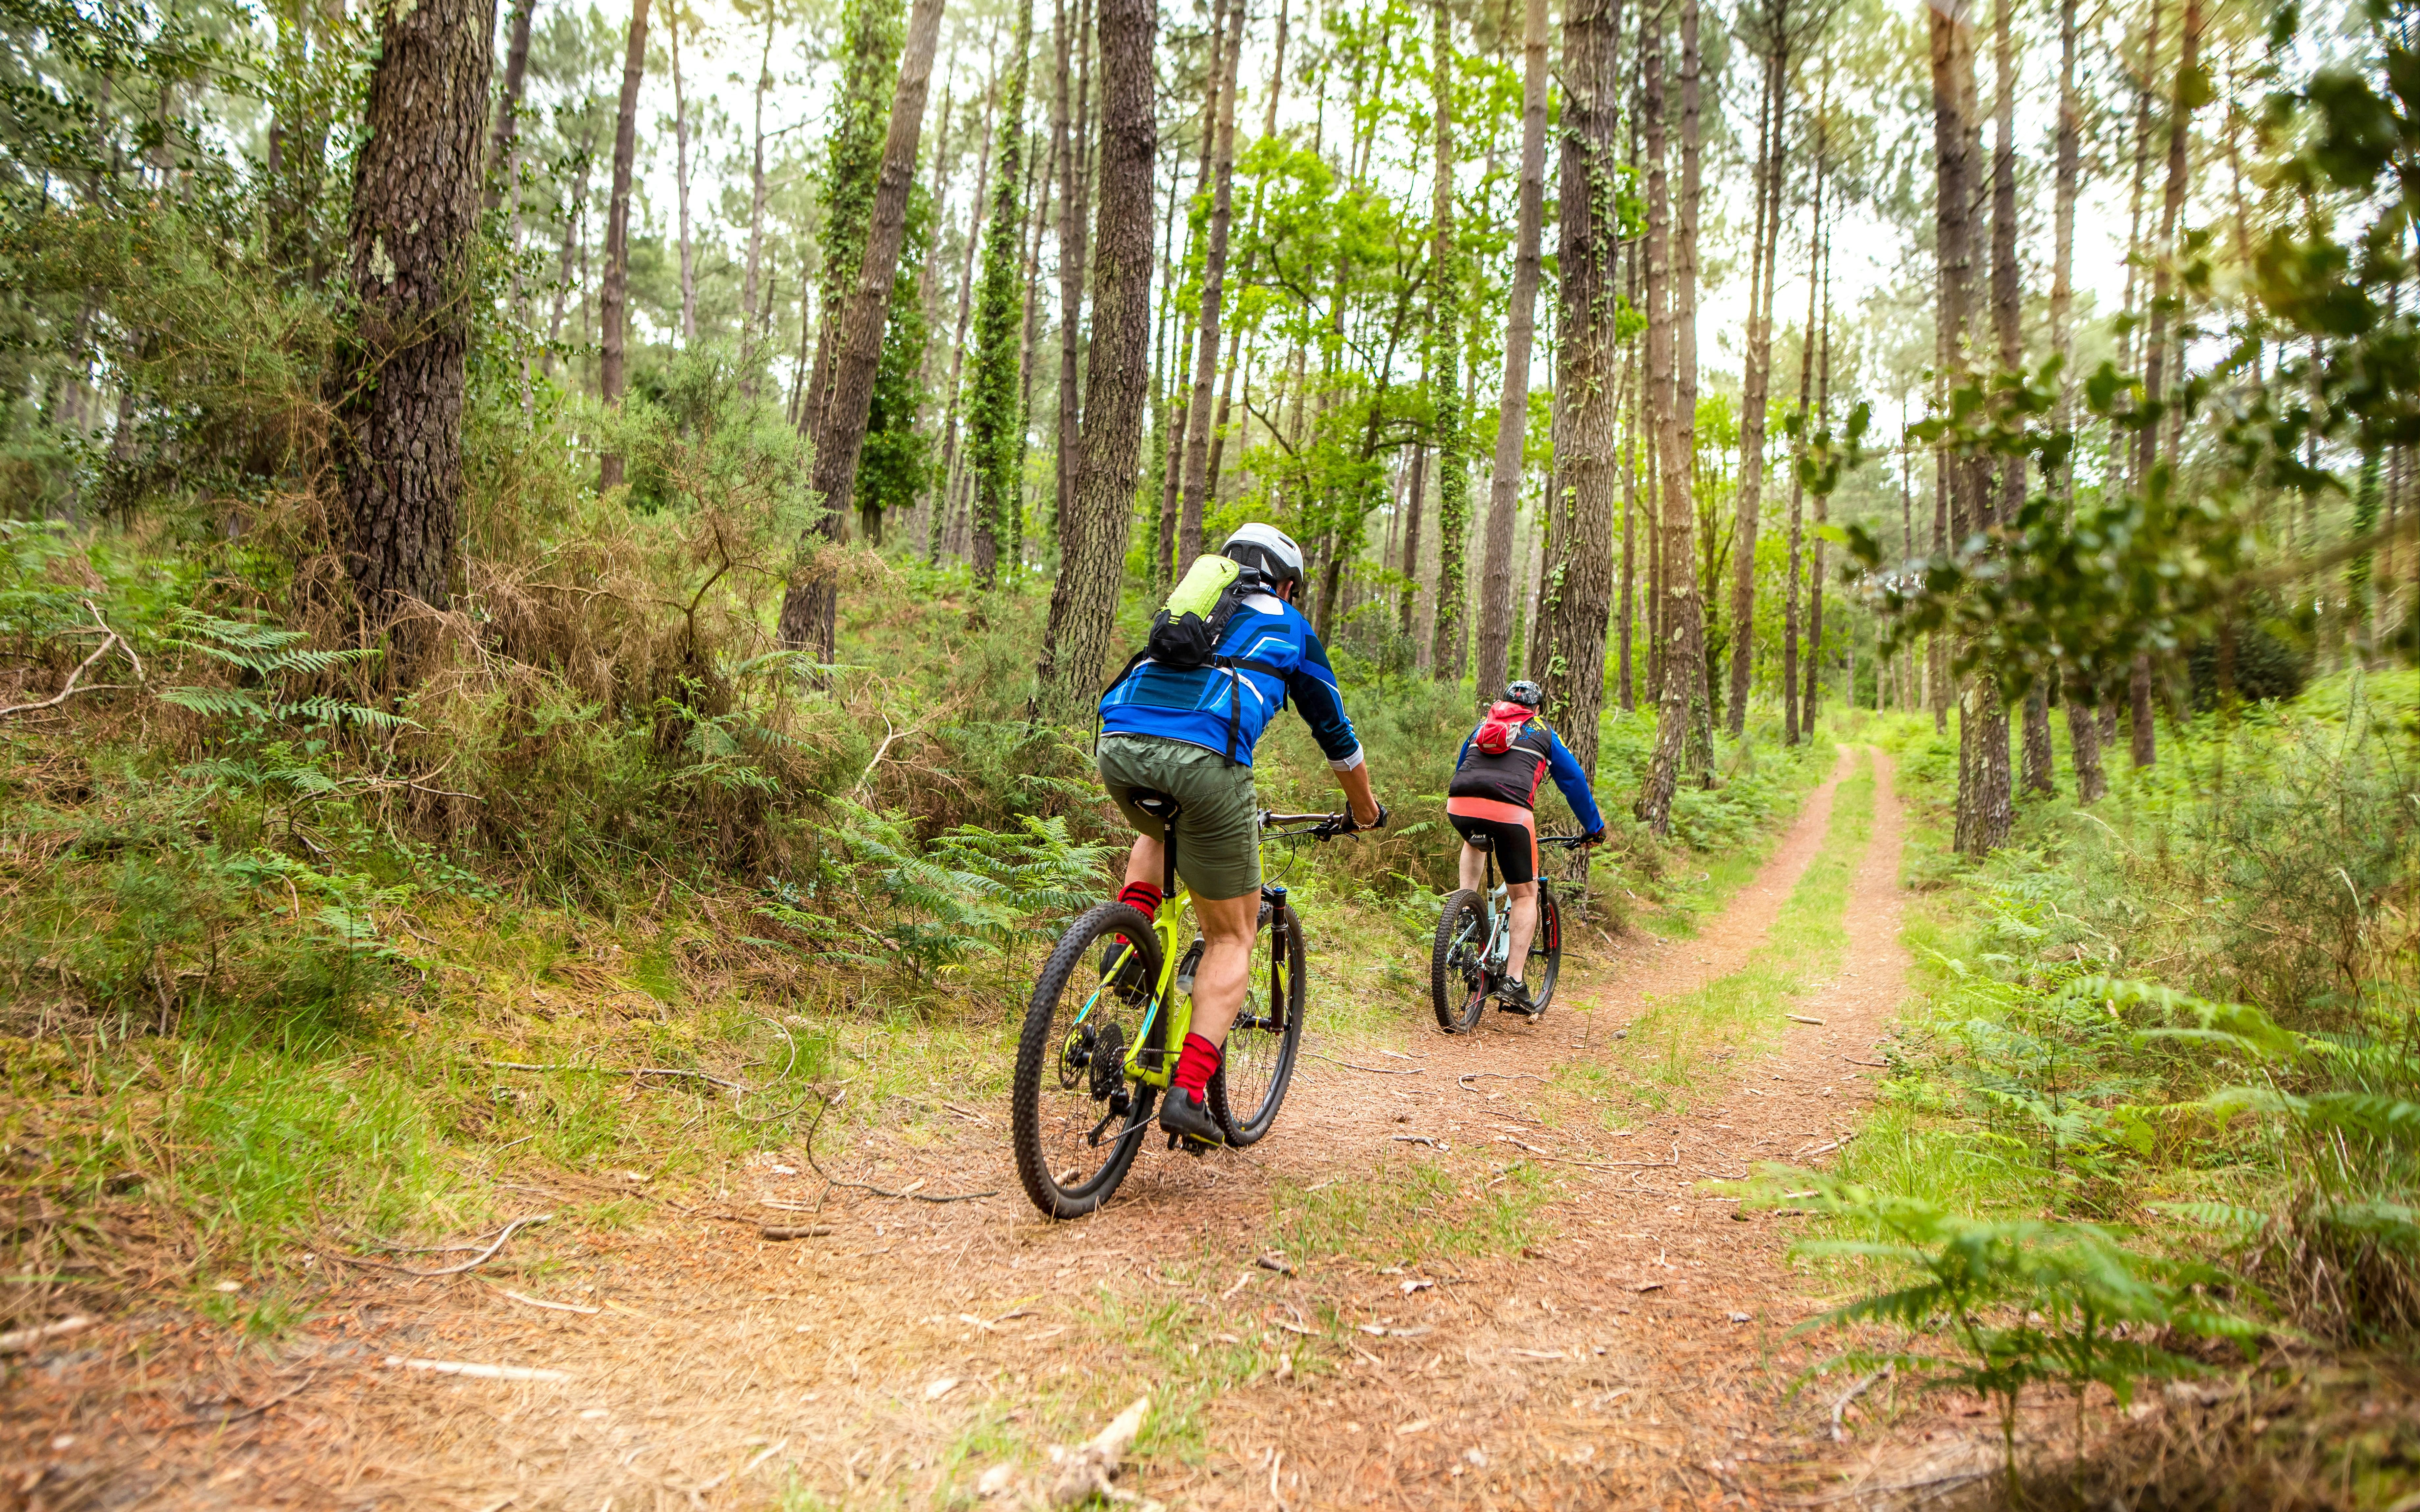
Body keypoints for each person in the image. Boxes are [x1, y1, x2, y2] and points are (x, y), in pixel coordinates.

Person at [1095, 522, 1384, 1145]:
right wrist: (1364, 809)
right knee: (1232, 935)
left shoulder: (1192, 605)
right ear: (1284, 582)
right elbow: (1336, 735)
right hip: (1205, 762)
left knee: (1161, 826)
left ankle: (1127, 947)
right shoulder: (1290, 625)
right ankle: (1188, 1094)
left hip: (1117, 744)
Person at [1444, 679, 1607, 1017]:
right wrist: (1594, 827)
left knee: (1473, 841)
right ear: (1537, 709)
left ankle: (1465, 910)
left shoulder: (1483, 724)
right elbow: (1573, 780)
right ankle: (1514, 981)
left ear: (1503, 703)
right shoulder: (1543, 730)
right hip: (1511, 813)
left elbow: (1463, 764)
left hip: (1459, 804)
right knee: (1524, 895)